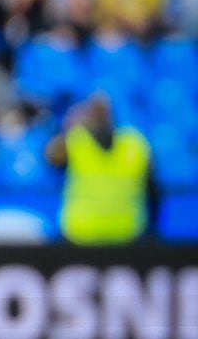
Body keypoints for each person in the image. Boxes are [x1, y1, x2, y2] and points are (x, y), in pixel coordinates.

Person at [46, 94, 154, 244]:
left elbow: (152, 189)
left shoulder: (135, 144)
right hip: (84, 234)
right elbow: (51, 159)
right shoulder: (76, 139)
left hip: (124, 235)